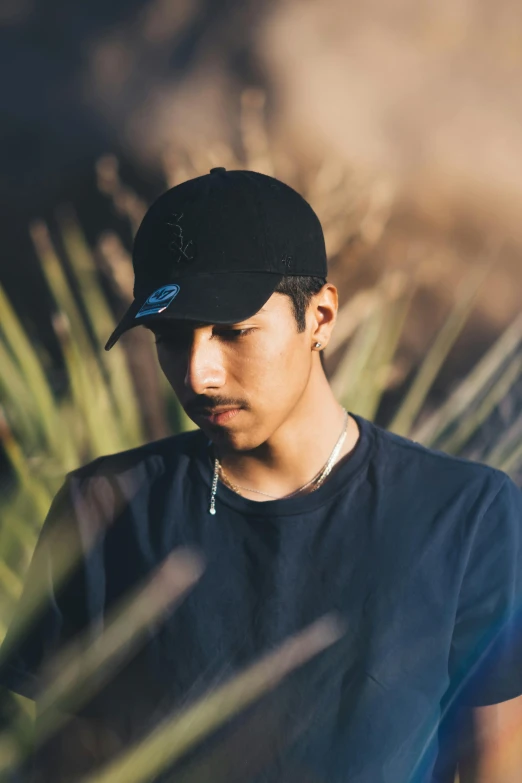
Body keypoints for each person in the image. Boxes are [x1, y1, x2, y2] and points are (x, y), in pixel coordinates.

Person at [1, 167, 522, 783]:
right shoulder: (106, 507)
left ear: (321, 317)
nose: (199, 374)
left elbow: (498, 765)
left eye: (233, 331)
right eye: (171, 337)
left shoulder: (465, 515)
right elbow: (54, 764)